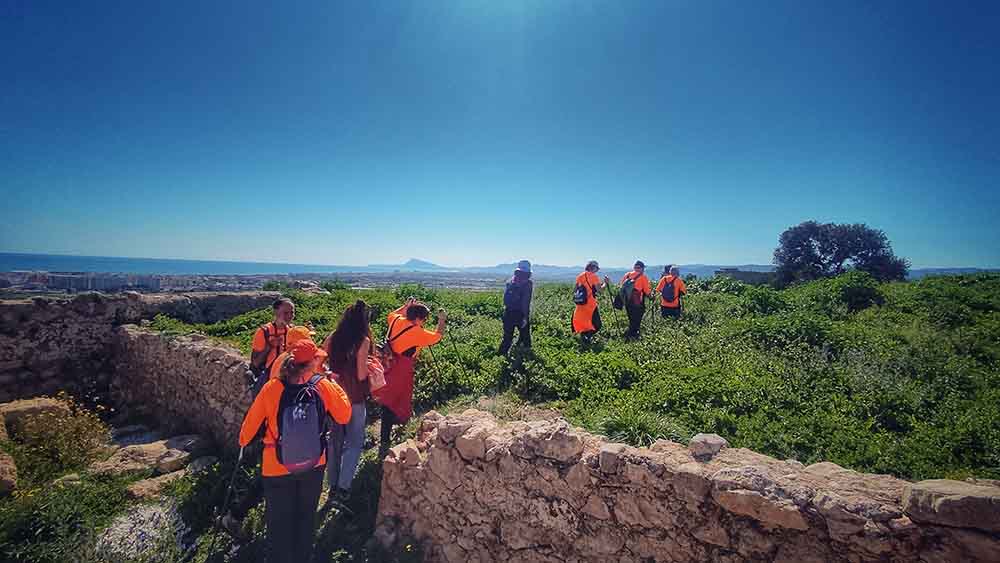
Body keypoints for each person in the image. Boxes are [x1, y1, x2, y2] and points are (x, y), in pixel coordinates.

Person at [238, 339, 351, 563]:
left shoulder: (273, 388)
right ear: (312, 363)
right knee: (306, 520)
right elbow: (344, 415)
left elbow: (245, 435)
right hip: (313, 464)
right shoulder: (322, 385)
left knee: (279, 525)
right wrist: (331, 382)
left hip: (276, 467)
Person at [322, 300, 384, 510]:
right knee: (355, 442)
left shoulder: (333, 337)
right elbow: (360, 374)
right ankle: (343, 489)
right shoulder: (363, 341)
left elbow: (321, 362)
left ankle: (331, 486)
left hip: (333, 395)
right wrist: (371, 367)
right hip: (354, 396)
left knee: (335, 442)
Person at [373, 299, 446, 458]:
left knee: (389, 397)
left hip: (390, 362)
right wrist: (441, 320)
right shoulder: (415, 332)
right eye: (424, 319)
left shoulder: (397, 320)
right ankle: (389, 435)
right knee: (396, 398)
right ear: (418, 319)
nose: (425, 322)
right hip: (402, 367)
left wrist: (405, 306)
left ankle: (390, 432)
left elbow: (391, 314)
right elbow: (437, 336)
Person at [499, 260, 533, 355]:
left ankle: (501, 356)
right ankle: (526, 355)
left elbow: (505, 299)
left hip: (508, 312)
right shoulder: (528, 284)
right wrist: (526, 317)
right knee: (525, 336)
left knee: (507, 337)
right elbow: (525, 303)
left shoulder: (510, 281)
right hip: (520, 314)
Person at [572, 260, 609, 345]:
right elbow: (600, 290)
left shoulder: (579, 276)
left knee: (585, 323)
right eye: (597, 268)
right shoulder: (594, 277)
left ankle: (584, 337)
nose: (597, 270)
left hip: (580, 303)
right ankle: (587, 337)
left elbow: (575, 290)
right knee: (597, 325)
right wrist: (605, 284)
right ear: (593, 268)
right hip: (590, 305)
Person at [620, 260, 652, 340]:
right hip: (638, 301)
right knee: (637, 319)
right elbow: (647, 291)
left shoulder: (627, 275)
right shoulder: (643, 277)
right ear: (641, 268)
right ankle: (633, 335)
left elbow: (621, 286)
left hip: (627, 301)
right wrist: (651, 297)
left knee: (631, 318)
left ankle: (630, 334)